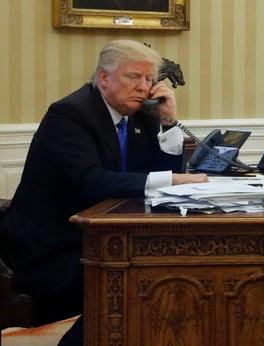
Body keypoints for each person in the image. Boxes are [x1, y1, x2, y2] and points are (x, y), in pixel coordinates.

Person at [0, 39, 209, 345]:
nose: (143, 86)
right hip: (52, 250)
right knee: (132, 281)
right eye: (133, 77)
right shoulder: (70, 115)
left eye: (149, 79)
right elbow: (92, 181)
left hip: (102, 241)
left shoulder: (142, 116)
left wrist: (169, 121)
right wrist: (173, 180)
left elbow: (157, 170)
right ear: (103, 78)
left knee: (163, 274)